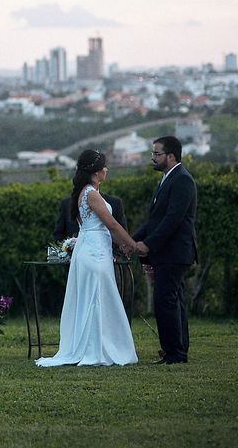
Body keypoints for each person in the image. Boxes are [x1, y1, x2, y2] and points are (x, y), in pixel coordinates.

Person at [37, 149, 142, 367]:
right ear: (95, 172)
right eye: (103, 166)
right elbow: (111, 224)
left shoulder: (84, 193)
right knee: (95, 298)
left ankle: (99, 346)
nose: (106, 169)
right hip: (95, 253)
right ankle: (95, 349)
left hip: (93, 249)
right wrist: (132, 245)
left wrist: (121, 244)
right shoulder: (91, 195)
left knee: (98, 297)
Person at [133, 136, 198, 364]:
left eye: (156, 154)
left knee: (165, 300)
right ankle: (178, 349)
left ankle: (175, 353)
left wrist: (148, 244)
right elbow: (155, 221)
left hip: (174, 253)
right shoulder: (168, 179)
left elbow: (172, 220)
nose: (152, 157)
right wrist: (132, 241)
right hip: (169, 253)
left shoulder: (182, 180)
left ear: (170, 156)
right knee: (173, 300)